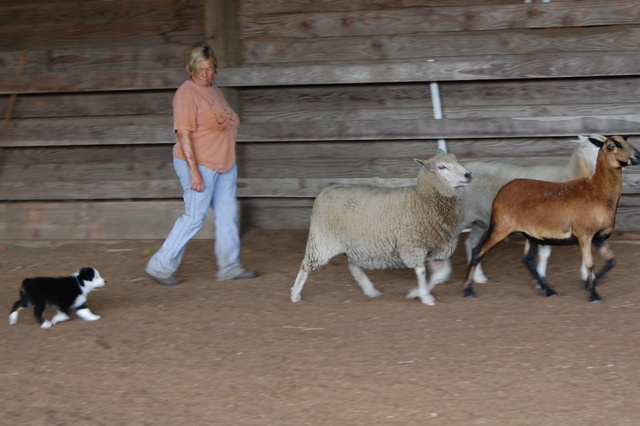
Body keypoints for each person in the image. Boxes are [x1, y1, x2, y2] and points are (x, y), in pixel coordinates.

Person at [145, 45, 256, 286]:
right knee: (195, 216)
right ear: (191, 69)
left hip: (224, 163)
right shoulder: (186, 93)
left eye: (209, 68)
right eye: (200, 69)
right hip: (199, 163)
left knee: (227, 215)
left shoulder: (215, 91)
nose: (205, 74)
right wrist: (193, 171)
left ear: (215, 69)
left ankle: (229, 266)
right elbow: (183, 134)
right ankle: (160, 265)